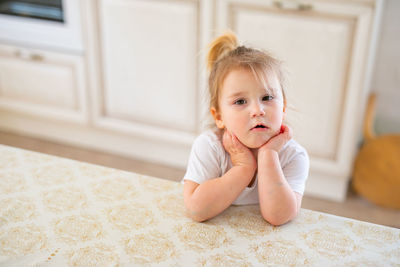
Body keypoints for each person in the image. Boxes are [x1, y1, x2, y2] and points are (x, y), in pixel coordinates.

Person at [183, 31, 309, 226]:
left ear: (282, 108)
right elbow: (195, 209)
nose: (258, 110)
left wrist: (268, 155)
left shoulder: (293, 155)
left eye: (267, 98)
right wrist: (243, 167)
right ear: (219, 117)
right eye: (240, 101)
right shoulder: (209, 146)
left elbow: (279, 216)